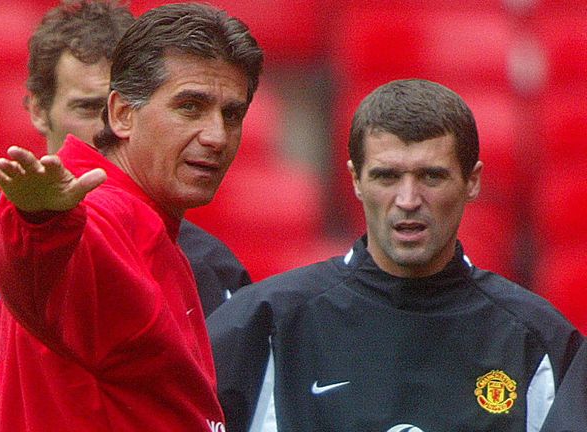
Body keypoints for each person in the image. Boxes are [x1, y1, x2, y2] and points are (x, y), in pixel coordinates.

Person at [206, 79, 584, 431]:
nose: (407, 201)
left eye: (431, 177)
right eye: (387, 177)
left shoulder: (537, 339)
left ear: (472, 181)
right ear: (355, 180)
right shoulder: (263, 325)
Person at [0, 3, 263, 430]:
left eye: (231, 114)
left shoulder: (147, 225)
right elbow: (45, 272)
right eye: (190, 107)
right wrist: (41, 223)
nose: (216, 136)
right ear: (123, 114)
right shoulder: (97, 220)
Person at [0, 0, 251, 317]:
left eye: (117, 109)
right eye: (88, 107)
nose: (108, 128)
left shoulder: (214, 269)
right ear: (39, 111)